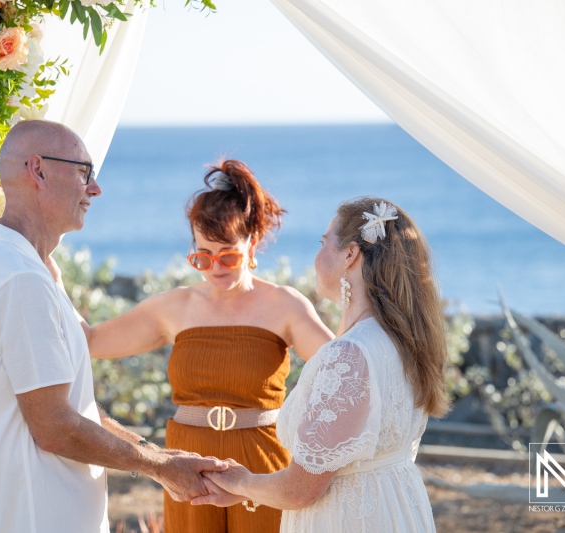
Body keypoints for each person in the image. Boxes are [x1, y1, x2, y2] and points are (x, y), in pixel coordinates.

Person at [0, 120, 227, 533]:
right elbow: (55, 427)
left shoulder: (13, 265)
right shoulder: (18, 279)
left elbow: (74, 405)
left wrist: (164, 458)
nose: (95, 188)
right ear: (38, 170)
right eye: (84, 171)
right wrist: (159, 469)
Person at [80, 160, 334, 532]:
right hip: (187, 460)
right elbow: (91, 340)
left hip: (261, 458)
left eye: (227, 255)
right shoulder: (175, 307)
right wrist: (46, 274)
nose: (215, 267)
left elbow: (344, 368)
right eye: (202, 256)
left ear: (251, 243)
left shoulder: (285, 305)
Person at [192, 197, 450, 532]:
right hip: (398, 509)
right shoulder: (406, 342)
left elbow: (301, 489)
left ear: (349, 255)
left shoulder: (349, 355)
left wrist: (242, 483)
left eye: (323, 242)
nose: (316, 256)